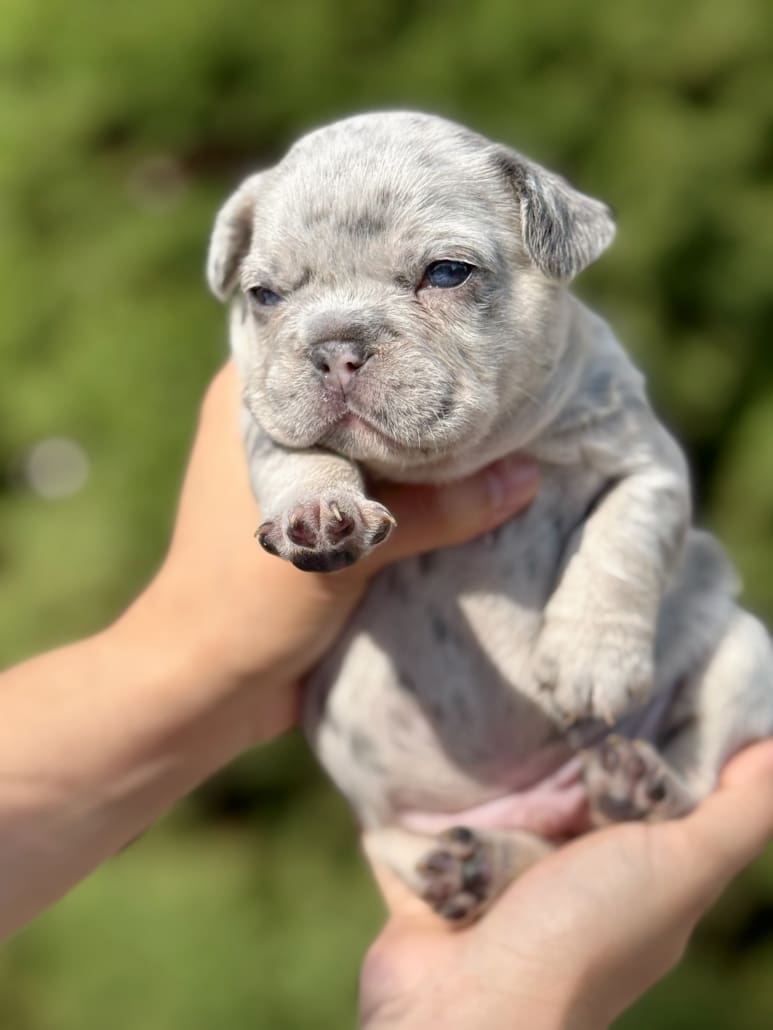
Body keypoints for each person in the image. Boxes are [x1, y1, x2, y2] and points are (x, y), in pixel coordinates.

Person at [1, 363, 771, 1028]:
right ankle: (513, 851)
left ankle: (562, 824)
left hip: (571, 726)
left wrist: (193, 661)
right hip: (467, 783)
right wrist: (487, 1008)